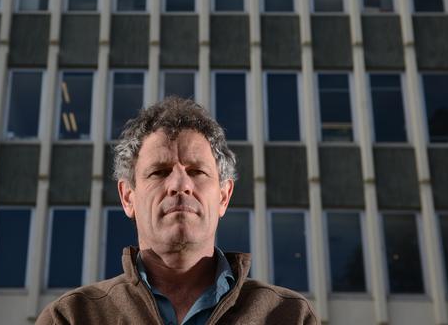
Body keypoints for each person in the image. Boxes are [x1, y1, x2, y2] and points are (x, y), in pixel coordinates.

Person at [37, 97, 318, 325]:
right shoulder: (72, 317)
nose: (180, 185)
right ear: (127, 197)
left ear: (224, 196)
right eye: (159, 172)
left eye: (197, 171)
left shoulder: (287, 316)